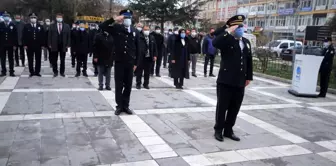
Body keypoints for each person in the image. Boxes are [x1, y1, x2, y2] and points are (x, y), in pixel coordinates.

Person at [212, 15, 253, 142]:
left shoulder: (246, 42)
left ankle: (228, 130)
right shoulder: (227, 40)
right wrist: (228, 31)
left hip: (240, 81)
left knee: (235, 107)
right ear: (233, 29)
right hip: (225, 80)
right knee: (222, 107)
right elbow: (215, 42)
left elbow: (249, 60)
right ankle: (218, 130)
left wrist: (249, 77)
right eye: (238, 27)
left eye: (242, 26)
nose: (241, 29)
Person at [100, 9, 140, 115]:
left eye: (129, 18)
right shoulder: (116, 28)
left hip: (130, 63)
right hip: (119, 62)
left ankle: (126, 106)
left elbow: (138, 48)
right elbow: (102, 26)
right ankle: (119, 106)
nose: (127, 20)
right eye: (125, 17)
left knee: (128, 85)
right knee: (119, 85)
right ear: (122, 18)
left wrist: (136, 63)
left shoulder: (135, 31)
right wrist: (113, 19)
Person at [48, 13, 71, 77]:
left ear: (62, 18)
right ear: (56, 18)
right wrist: (49, 43)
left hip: (63, 45)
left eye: (60, 17)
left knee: (62, 59)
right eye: (58, 17)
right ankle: (55, 72)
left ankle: (62, 72)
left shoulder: (67, 26)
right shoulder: (52, 26)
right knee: (54, 59)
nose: (59, 18)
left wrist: (68, 44)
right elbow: (49, 35)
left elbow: (69, 36)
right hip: (54, 44)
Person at [23, 13, 45, 77]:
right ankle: (31, 72)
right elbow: (24, 36)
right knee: (30, 59)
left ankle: (37, 71)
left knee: (38, 59)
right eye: (32, 18)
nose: (33, 19)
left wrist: (43, 45)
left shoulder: (40, 26)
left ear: (36, 18)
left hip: (38, 45)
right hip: (29, 46)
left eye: (34, 18)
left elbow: (43, 36)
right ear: (30, 19)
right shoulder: (26, 26)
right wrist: (25, 44)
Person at [93, 27, 114, 91]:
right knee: (100, 72)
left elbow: (114, 47)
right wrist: (95, 56)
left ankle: (108, 85)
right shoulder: (98, 36)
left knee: (108, 73)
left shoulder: (112, 36)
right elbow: (95, 47)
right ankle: (100, 85)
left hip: (109, 57)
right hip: (100, 56)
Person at [0, 11, 18, 77]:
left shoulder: (12, 25)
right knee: (2, 59)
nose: (6, 17)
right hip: (2, 45)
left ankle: (11, 71)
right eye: (5, 16)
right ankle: (3, 71)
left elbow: (15, 36)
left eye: (7, 16)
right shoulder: (0, 24)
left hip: (10, 45)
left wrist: (15, 45)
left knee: (11, 59)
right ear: (3, 17)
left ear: (9, 17)